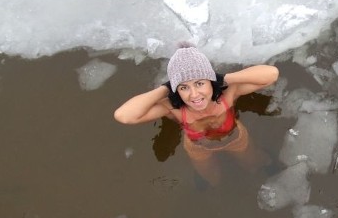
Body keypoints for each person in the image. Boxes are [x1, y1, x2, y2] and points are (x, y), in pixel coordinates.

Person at [114, 43, 279, 185]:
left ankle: (264, 161)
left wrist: (223, 79)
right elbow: (124, 116)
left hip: (234, 138)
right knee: (213, 180)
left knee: (253, 165)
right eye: (183, 87)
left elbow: (271, 74)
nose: (193, 95)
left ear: (211, 82)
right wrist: (166, 88)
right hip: (198, 148)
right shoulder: (174, 107)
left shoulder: (227, 94)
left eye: (199, 83)